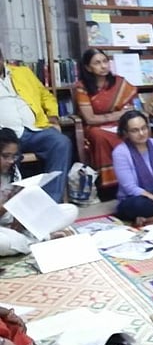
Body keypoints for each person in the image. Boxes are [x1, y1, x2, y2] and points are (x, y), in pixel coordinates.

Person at [0, 48, 71, 202]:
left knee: (61, 142)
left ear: (2, 58)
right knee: (6, 155)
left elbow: (46, 95)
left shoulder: (22, 72)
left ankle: (48, 202)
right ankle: (11, 207)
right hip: (4, 136)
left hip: (35, 129)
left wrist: (52, 117)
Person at [0, 128, 78, 257]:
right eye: (5, 156)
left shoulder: (12, 170)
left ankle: (29, 239)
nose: (11, 161)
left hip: (14, 225)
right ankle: (38, 240)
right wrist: (9, 201)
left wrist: (20, 217)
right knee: (3, 243)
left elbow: (20, 205)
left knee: (70, 210)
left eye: (14, 156)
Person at [73, 48, 138, 190]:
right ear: (88, 68)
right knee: (99, 135)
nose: (103, 66)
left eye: (105, 61)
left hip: (120, 124)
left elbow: (130, 110)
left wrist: (119, 117)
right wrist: (115, 115)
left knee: (134, 131)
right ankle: (110, 185)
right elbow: (89, 119)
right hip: (95, 128)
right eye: (97, 63)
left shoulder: (120, 83)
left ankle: (135, 179)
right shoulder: (82, 87)